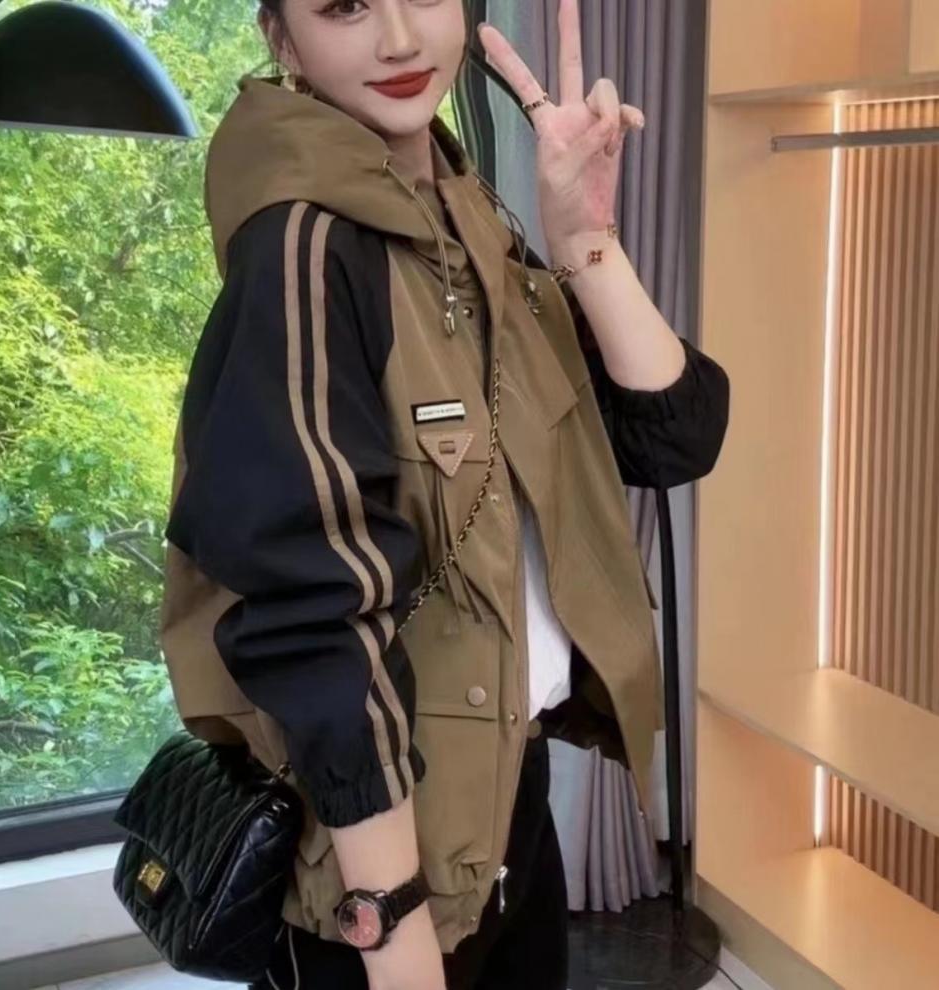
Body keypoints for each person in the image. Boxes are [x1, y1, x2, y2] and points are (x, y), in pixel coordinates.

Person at [157, 1, 730, 988]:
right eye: (343, 6)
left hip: (506, 801)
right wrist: (391, 923)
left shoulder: (465, 220)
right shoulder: (303, 247)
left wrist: (586, 238)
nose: (397, 39)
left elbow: (671, 435)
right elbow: (310, 616)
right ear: (281, 37)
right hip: (381, 855)